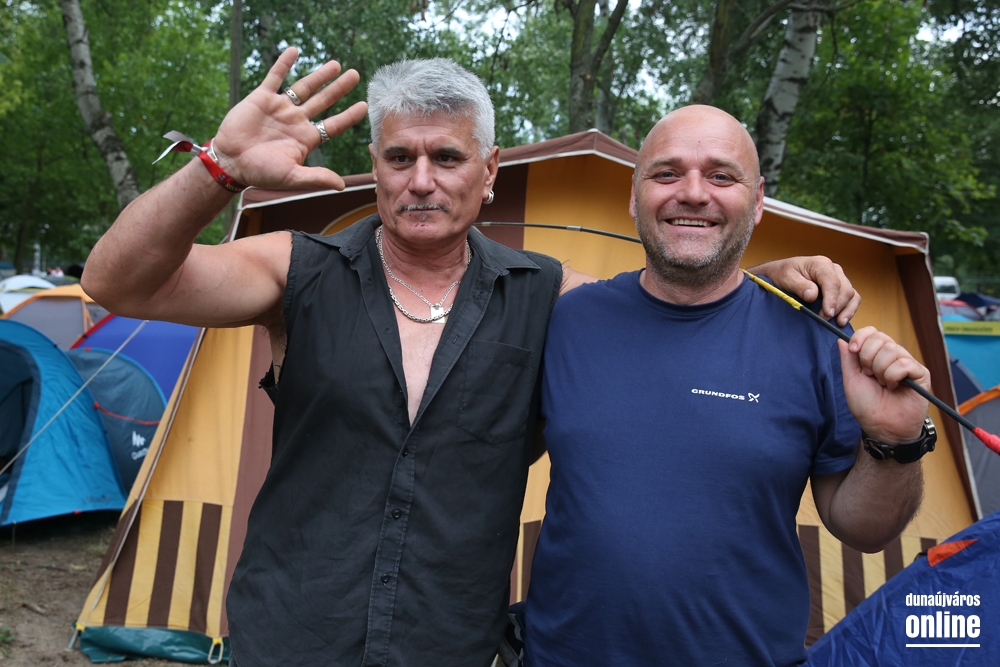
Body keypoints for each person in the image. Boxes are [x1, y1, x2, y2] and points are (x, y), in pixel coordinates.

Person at [82, 51, 860, 667]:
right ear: (376, 167)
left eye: (447, 157)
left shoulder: (547, 294)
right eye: (400, 156)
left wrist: (759, 282)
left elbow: (672, 304)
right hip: (289, 637)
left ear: (489, 172)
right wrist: (218, 166)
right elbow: (116, 282)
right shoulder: (298, 271)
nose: (421, 180)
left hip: (449, 645)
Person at [522, 105, 933, 667]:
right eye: (667, 173)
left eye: (721, 176)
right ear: (634, 195)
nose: (693, 193)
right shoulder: (568, 319)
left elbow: (864, 530)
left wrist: (896, 441)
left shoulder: (815, 336)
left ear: (758, 200)